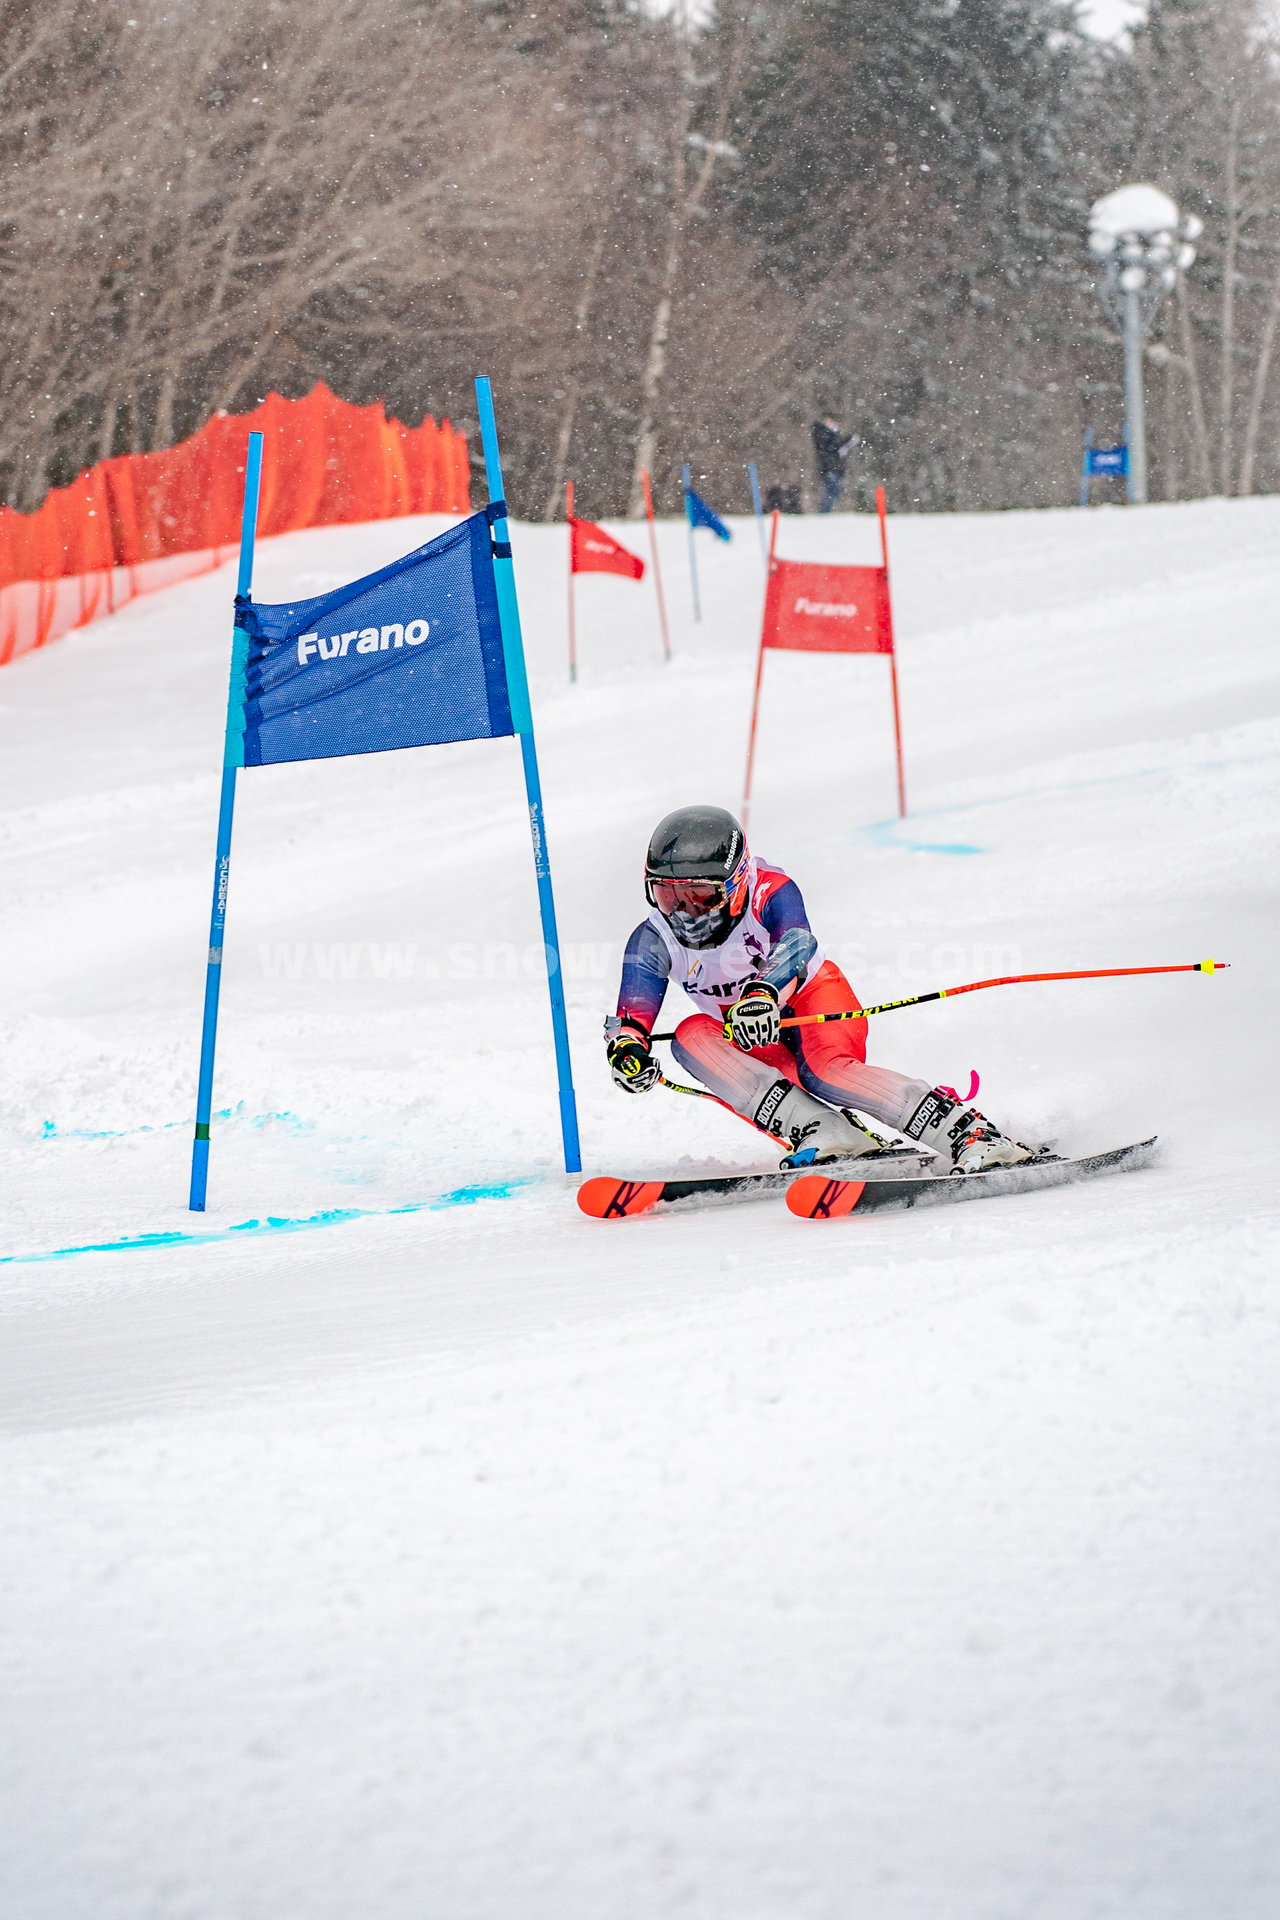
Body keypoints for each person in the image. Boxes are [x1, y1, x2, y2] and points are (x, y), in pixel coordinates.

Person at [605, 804, 1033, 1171]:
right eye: (667, 895)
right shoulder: (654, 937)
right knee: (689, 1036)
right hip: (752, 1033)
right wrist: (628, 1049)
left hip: (811, 1001)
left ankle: (970, 1133)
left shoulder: (769, 890)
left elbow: (796, 941)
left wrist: (762, 993)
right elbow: (634, 1010)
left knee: (825, 1072)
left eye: (700, 895)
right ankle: (827, 1133)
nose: (684, 912)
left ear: (736, 884)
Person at [811, 416, 855, 513]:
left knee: (835, 492)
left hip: (835, 467)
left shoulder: (831, 434)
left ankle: (825, 511)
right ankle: (824, 512)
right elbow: (831, 448)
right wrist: (846, 441)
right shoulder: (823, 433)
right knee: (832, 491)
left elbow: (835, 447)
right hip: (829, 467)